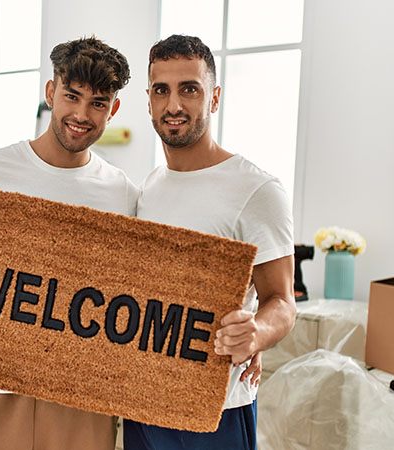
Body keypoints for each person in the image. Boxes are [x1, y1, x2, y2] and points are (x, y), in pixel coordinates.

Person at [0, 37, 137, 450]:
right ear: (50, 92)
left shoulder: (123, 194)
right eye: (71, 96)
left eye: (97, 103)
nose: (81, 114)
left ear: (113, 109)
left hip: (81, 399)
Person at [124, 34, 296, 450]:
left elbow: (282, 302)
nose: (174, 105)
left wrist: (254, 334)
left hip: (215, 410)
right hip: (141, 403)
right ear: (148, 101)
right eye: (161, 90)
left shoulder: (256, 190)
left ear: (214, 98)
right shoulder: (147, 188)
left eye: (190, 89)